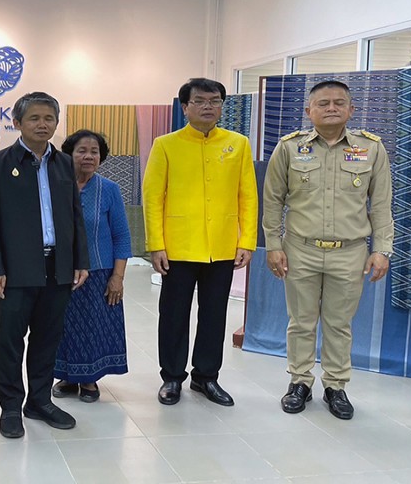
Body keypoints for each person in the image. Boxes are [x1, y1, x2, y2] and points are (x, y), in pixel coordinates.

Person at [263, 80, 393, 420]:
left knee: (339, 323)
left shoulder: (371, 149)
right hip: (300, 249)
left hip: (350, 251)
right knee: (301, 321)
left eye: (339, 102)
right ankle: (300, 382)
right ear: (309, 111)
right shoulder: (289, 148)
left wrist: (382, 249)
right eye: (323, 103)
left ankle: (335, 385)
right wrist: (273, 245)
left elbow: (381, 204)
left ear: (351, 110)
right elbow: (273, 200)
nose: (331, 108)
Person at [0, 91, 89, 439]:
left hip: (58, 267)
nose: (43, 125)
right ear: (17, 122)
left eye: (49, 118)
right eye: (34, 118)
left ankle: (39, 401)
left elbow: (75, 215)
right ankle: (11, 407)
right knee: (11, 341)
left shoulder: (64, 163)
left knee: (47, 339)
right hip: (16, 269)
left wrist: (80, 260)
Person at [143, 78, 258, 407]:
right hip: (177, 246)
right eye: (200, 101)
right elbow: (153, 197)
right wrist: (156, 244)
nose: (208, 106)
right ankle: (172, 377)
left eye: (215, 101)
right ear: (185, 107)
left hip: (221, 246)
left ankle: (206, 377)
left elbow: (248, 196)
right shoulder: (166, 144)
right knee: (173, 314)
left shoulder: (237, 144)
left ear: (222, 106)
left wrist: (247, 241)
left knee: (214, 314)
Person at [52, 130, 131, 402]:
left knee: (93, 328)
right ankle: (66, 376)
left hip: (99, 274)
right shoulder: (55, 187)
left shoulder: (109, 189)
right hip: (60, 272)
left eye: (94, 151)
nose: (88, 156)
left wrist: (117, 277)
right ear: (69, 155)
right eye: (82, 151)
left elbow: (122, 236)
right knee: (61, 326)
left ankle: (89, 379)